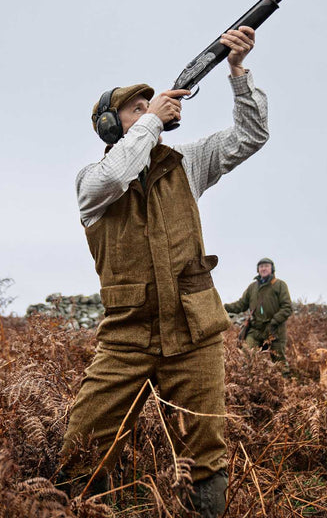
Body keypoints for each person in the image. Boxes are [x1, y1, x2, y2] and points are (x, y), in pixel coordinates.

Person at [57, 26, 269, 517]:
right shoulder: (92, 182)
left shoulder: (187, 163)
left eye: (152, 104)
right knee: (83, 443)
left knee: (205, 452)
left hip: (194, 331)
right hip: (125, 337)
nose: (152, 109)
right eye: (137, 108)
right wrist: (150, 123)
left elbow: (251, 136)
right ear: (113, 126)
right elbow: (116, 173)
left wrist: (237, 72)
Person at [224, 258, 293, 374]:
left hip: (274, 330)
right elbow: (241, 304)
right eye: (261, 266)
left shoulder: (280, 285)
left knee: (279, 362)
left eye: (266, 266)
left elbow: (287, 308)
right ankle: (249, 384)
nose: (264, 268)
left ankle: (284, 387)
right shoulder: (252, 287)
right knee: (247, 357)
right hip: (255, 330)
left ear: (272, 268)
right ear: (258, 270)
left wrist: (274, 321)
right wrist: (224, 307)